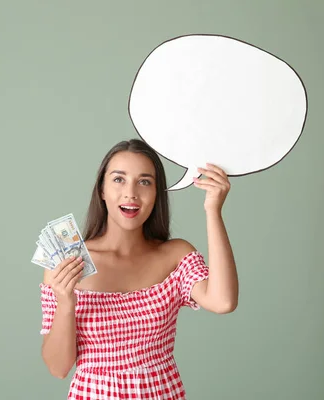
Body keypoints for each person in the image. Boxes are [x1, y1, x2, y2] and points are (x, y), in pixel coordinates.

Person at [39, 138, 239, 399]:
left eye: (144, 181)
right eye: (119, 179)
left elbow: (223, 301)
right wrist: (66, 302)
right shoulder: (67, 262)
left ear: (157, 194)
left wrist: (213, 210)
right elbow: (58, 368)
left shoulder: (176, 255)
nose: (131, 193)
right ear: (101, 189)